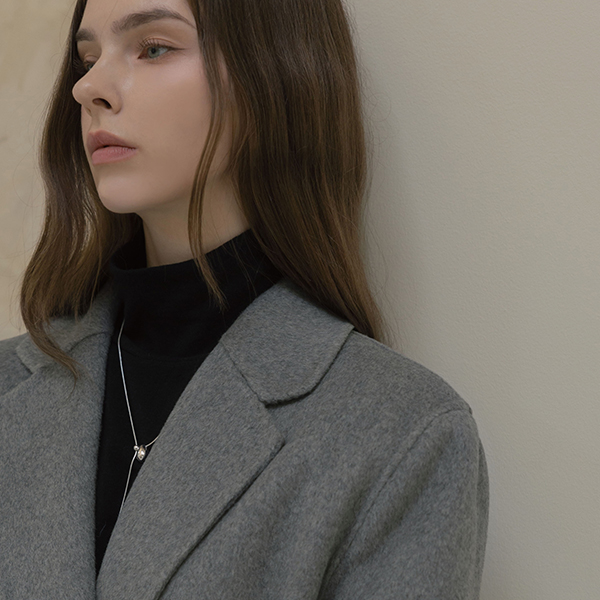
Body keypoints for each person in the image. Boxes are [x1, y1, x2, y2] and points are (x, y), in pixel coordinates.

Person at [0, 0, 490, 597]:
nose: (88, 88)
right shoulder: (10, 388)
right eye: (87, 58)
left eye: (153, 48)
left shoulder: (402, 437)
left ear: (273, 73)